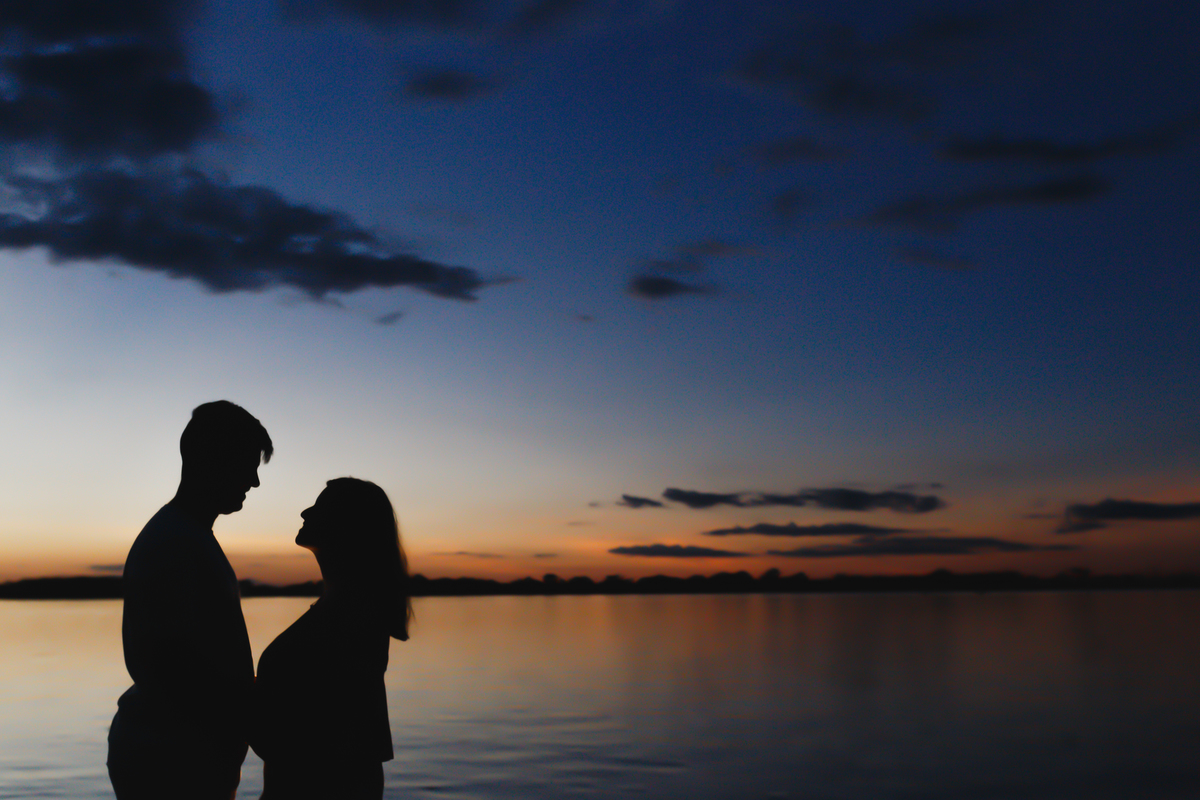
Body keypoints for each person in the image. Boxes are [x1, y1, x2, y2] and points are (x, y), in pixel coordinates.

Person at [108, 401, 273, 800]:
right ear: (208, 458)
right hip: (172, 766)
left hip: (180, 758)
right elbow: (173, 669)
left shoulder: (186, 537)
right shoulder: (176, 544)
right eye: (247, 465)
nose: (254, 481)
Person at [251, 478, 413, 800]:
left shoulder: (350, 617)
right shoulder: (344, 609)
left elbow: (318, 740)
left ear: (348, 526)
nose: (305, 512)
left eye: (320, 506)